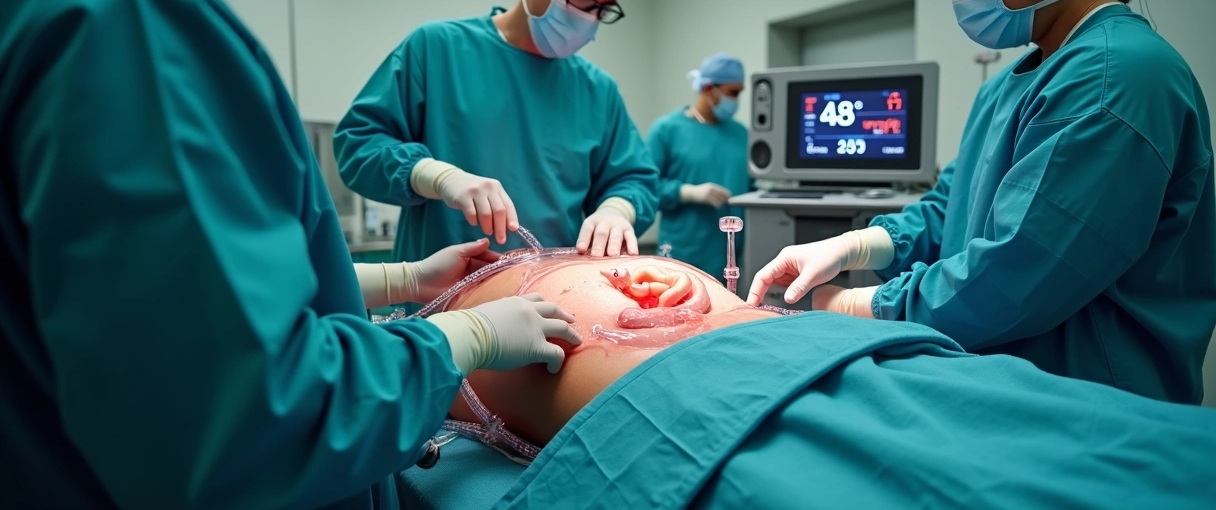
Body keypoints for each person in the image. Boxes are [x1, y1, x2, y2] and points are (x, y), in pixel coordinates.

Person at [0, 0, 580, 507]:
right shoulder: (125, 4)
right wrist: (462, 340)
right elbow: (250, 410)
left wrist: (405, 280)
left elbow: (151, 296)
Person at [748, 0, 1215, 404]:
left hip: (1092, 398)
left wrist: (862, 306)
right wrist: (852, 247)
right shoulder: (1006, 89)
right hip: (999, 379)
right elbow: (949, 210)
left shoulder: (1118, 78)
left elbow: (1021, 268)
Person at [408, 250, 1216, 510]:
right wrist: (428, 307)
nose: (634, 272)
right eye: (576, 263)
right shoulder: (425, 356)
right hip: (686, 413)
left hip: (846, 357)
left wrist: (869, 269)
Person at [334, 0, 658, 264]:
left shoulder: (597, 90)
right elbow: (359, 145)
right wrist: (436, 176)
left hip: (551, 301)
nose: (589, 17)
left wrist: (617, 209)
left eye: (603, 9)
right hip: (444, 304)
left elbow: (635, 178)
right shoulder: (438, 49)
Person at [647, 53, 751, 281]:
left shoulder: (741, 134)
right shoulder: (667, 130)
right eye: (733, 92)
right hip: (683, 251)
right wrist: (688, 192)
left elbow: (752, 187)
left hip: (729, 255)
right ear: (708, 88)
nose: (737, 100)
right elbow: (645, 188)